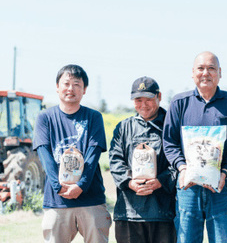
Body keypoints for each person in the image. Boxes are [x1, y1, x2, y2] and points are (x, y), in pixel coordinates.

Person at [163, 51, 227, 243]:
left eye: (211, 68)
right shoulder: (179, 102)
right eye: (200, 68)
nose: (205, 73)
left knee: (223, 238)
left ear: (219, 73)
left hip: (221, 186)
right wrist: (182, 168)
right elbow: (169, 142)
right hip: (188, 187)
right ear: (192, 73)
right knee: (187, 239)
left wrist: (224, 172)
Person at [33, 64, 111, 243]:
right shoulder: (45, 117)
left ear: (84, 90)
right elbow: (45, 155)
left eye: (77, 84)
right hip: (57, 201)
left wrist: (81, 186)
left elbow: (93, 154)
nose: (70, 88)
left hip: (91, 199)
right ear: (57, 87)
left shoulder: (93, 117)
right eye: (66, 83)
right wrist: (57, 186)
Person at [109, 76, 177, 243]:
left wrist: (161, 181)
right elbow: (115, 159)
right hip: (129, 213)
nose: (143, 104)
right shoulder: (123, 128)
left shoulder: (172, 126)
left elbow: (180, 162)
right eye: (138, 100)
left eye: (149, 99)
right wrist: (129, 182)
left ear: (159, 97)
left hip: (163, 213)